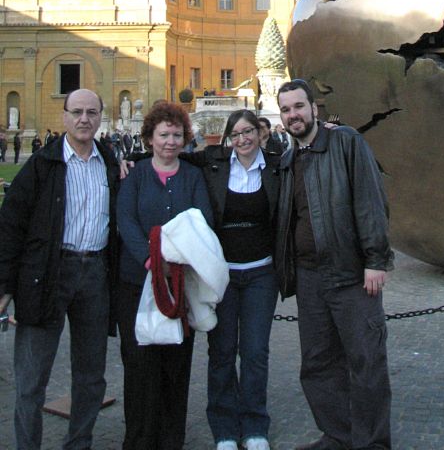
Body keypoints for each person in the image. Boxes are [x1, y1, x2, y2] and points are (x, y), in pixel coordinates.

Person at [275, 79, 394, 450]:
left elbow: (370, 200)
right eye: (286, 109)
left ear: (313, 108)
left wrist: (376, 260)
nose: (293, 114)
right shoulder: (288, 159)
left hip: (351, 274)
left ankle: (372, 442)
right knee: (317, 362)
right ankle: (338, 435)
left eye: (298, 106)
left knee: (366, 360)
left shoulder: (345, 142)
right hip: (310, 278)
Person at [0, 88, 120, 450]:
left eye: (91, 112)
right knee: (32, 378)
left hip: (95, 273)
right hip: (48, 273)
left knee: (90, 375)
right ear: (65, 116)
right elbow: (10, 227)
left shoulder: (111, 163)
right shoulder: (42, 164)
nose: (85, 119)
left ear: (100, 116)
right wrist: (4, 287)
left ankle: (78, 443)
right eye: (77, 112)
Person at [117, 101, 214, 450]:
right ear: (149, 138)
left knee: (176, 364)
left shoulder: (192, 176)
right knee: (141, 365)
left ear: (186, 138)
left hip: (179, 283)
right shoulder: (136, 174)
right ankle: (140, 439)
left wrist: (180, 259)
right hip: (137, 282)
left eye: (177, 135)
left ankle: (172, 440)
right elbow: (125, 219)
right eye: (164, 135)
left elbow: (203, 222)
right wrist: (148, 257)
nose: (171, 142)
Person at [189, 110, 280, 450]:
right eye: (236, 133)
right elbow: (172, 156)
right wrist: (124, 161)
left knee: (255, 352)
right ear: (228, 137)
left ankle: (256, 425)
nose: (242, 139)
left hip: (261, 273)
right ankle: (224, 427)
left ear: (260, 133)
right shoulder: (214, 163)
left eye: (248, 132)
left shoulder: (275, 166)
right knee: (222, 352)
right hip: (222, 275)